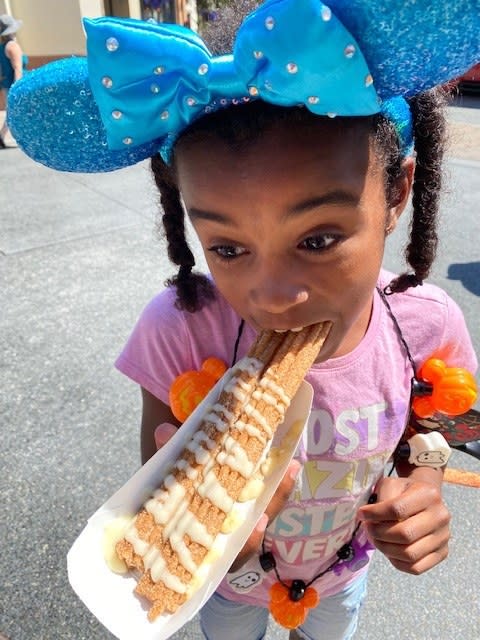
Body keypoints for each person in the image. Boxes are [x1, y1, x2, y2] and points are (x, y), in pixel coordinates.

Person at [6, 1, 479, 639]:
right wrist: (205, 518)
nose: (275, 295)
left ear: (396, 194)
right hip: (227, 586)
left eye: (318, 239)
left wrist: (425, 486)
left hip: (342, 575)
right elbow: (154, 473)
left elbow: (451, 426)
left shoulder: (426, 323)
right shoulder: (180, 329)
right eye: (228, 249)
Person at [0, 14, 24, 147]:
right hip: (15, 84)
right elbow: (17, 68)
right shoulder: (12, 46)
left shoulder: (2, 47)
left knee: (13, 113)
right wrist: (18, 87)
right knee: (16, 112)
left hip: (5, 84)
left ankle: (2, 135)